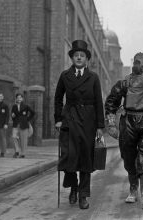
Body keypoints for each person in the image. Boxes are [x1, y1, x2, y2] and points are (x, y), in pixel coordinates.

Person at [105, 51, 143, 210]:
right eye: (138, 62)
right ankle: (133, 188)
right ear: (133, 63)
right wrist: (111, 123)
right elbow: (112, 102)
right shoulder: (124, 83)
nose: (141, 65)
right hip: (128, 123)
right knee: (129, 156)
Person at [54, 40, 105, 209]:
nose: (79, 58)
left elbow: (99, 102)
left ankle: (83, 195)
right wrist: (58, 119)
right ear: (72, 58)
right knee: (69, 157)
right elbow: (58, 98)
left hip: (88, 122)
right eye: (76, 55)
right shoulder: (64, 75)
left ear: (86, 59)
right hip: (69, 120)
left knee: (85, 159)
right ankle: (73, 187)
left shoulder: (93, 77)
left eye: (82, 55)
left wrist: (99, 126)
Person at [11, 93, 35, 158]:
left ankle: (23, 153)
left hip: (24, 124)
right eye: (17, 98)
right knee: (14, 137)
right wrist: (12, 116)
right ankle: (17, 151)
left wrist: (27, 119)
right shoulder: (14, 106)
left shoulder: (26, 106)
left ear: (22, 99)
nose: (19, 99)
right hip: (16, 124)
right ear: (16, 99)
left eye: (20, 98)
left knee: (23, 139)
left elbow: (33, 112)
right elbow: (12, 115)